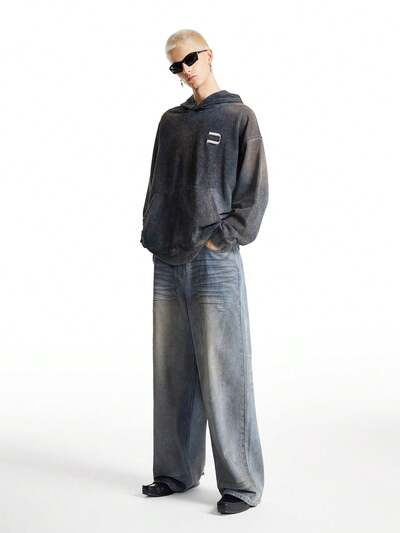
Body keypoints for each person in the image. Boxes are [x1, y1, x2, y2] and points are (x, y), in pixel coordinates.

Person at [140, 29, 269, 514]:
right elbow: (157, 183)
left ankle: (241, 485)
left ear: (209, 54)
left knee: (224, 370)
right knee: (171, 371)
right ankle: (175, 472)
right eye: (175, 65)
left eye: (190, 59)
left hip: (214, 260)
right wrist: (152, 231)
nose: (185, 70)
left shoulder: (238, 116)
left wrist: (223, 236)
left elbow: (254, 191)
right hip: (167, 258)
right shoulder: (170, 122)